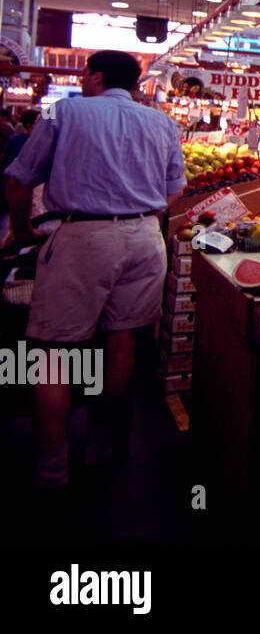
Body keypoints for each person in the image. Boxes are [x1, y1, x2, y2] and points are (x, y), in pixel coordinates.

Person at [5, 50, 186, 491]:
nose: (83, 80)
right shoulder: (161, 122)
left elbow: (18, 181)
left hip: (81, 237)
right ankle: (103, 445)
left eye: (85, 73)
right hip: (145, 239)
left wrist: (25, 233)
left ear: (96, 76)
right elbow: (174, 192)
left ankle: (52, 466)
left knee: (51, 351)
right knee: (122, 341)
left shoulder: (63, 110)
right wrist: (138, 212)